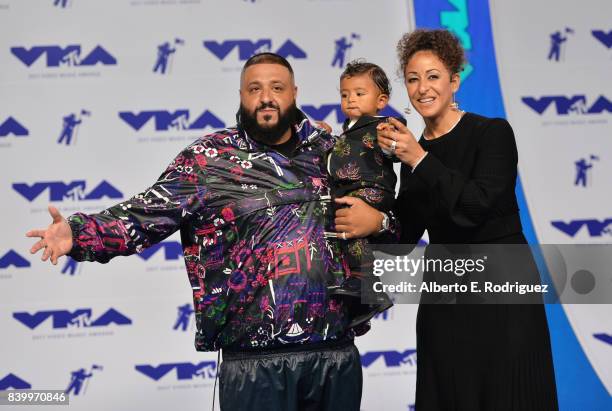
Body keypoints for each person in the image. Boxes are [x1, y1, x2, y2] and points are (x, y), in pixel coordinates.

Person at [26, 52, 392, 411]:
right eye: (254, 88)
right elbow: (143, 216)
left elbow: (389, 218)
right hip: (253, 364)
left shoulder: (333, 152)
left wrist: (381, 222)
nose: (266, 96)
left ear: (294, 93)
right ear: (241, 96)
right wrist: (77, 234)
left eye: (277, 87)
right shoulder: (208, 160)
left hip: (334, 355)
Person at [377, 30, 558, 410]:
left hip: (503, 289)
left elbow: (477, 207)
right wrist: (364, 187)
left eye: (433, 76)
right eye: (412, 79)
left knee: (510, 394)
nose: (422, 88)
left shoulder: (491, 133)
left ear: (453, 81)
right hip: (446, 294)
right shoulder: (414, 154)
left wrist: (419, 159)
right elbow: (403, 238)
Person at [325, 60, 396, 332]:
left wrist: (390, 141)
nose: (350, 99)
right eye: (345, 94)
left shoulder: (382, 125)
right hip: (350, 191)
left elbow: (392, 149)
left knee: (351, 232)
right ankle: (359, 303)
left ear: (381, 100)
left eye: (359, 93)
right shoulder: (347, 129)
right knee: (347, 237)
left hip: (370, 190)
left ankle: (369, 288)